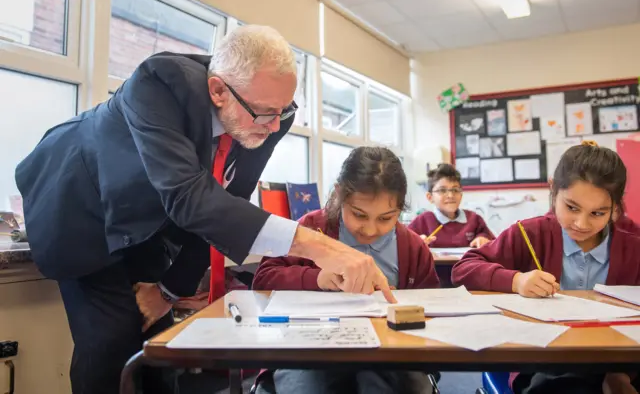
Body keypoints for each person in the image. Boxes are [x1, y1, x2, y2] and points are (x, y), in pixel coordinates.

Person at [14, 25, 394, 394]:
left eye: (283, 110)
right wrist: (319, 246)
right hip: (80, 211)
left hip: (149, 221)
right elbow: (190, 197)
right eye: (264, 113)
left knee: (160, 339)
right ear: (218, 91)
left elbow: (226, 203)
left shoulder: (271, 113)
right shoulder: (159, 82)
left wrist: (168, 289)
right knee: (110, 343)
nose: (276, 125)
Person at [451, 140, 640, 394]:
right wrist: (516, 280)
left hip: (620, 361)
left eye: (598, 213)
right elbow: (463, 269)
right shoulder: (529, 233)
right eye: (571, 207)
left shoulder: (633, 246)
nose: (581, 223)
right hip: (544, 361)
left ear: (615, 208)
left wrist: (620, 373)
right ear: (553, 189)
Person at [252, 146, 440, 394]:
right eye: (359, 215)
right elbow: (263, 281)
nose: (370, 230)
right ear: (339, 194)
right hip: (309, 346)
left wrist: (403, 307)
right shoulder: (311, 228)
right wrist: (318, 279)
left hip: (392, 350)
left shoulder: (413, 247)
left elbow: (434, 314)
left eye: (386, 218)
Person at [408, 163, 494, 248]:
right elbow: (403, 245)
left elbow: (493, 243)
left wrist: (483, 239)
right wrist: (416, 244)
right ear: (430, 197)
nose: (451, 195)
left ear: (461, 194)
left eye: (455, 190)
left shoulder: (474, 219)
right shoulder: (422, 221)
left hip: (468, 262)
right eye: (442, 190)